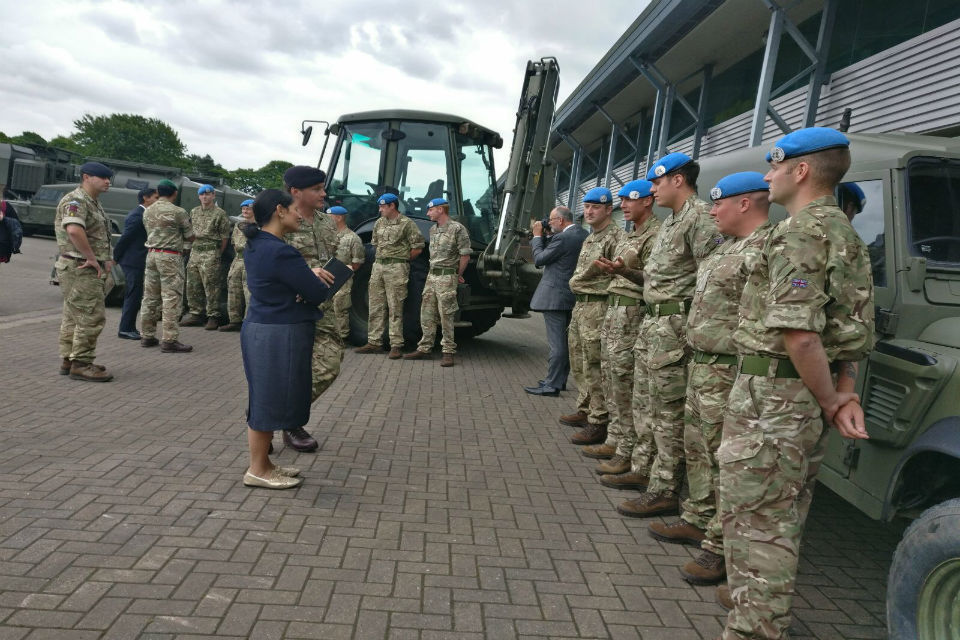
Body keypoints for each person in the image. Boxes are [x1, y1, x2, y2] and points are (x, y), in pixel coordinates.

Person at [717, 128, 874, 639]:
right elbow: (850, 330)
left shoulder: (797, 232)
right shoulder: (847, 234)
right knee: (781, 515)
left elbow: (800, 333)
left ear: (801, 171)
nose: (767, 176)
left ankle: (754, 626)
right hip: (798, 399)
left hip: (773, 398)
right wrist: (842, 390)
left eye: (775, 167)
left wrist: (832, 399)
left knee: (757, 521)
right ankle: (754, 602)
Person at [645, 172, 773, 587]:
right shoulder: (726, 247)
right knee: (697, 449)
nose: (711, 210)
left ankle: (718, 547)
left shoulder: (765, 250)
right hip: (700, 363)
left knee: (724, 460)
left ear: (745, 204)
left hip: (729, 367)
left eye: (720, 204)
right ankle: (697, 518)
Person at [616, 152, 724, 519]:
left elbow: (714, 283)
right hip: (654, 325)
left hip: (675, 329)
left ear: (678, 180)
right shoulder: (673, 222)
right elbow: (660, 278)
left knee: (668, 413)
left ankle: (664, 489)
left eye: (657, 182)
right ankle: (648, 474)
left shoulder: (701, 220)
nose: (652, 190)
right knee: (646, 405)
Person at [240, 189, 335, 490]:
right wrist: (313, 280)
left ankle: (265, 464)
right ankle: (257, 470)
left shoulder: (260, 244)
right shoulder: (281, 250)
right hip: (278, 332)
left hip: (263, 327)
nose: (299, 214)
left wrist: (305, 277)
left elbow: (286, 280)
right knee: (268, 401)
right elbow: (318, 293)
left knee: (267, 397)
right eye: (294, 209)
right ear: (279, 210)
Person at [587, 180, 660, 487]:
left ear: (648, 201)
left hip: (633, 314)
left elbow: (654, 280)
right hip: (614, 312)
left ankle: (628, 451)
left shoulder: (656, 234)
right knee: (611, 379)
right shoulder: (630, 234)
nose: (625, 206)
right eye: (622, 201)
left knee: (627, 384)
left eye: (631, 200)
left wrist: (622, 272)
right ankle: (616, 440)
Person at [282, 166, 341, 452]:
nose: (323, 193)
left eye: (322, 188)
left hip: (322, 305)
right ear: (296, 192)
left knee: (329, 364)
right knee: (285, 369)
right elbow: (268, 263)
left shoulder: (328, 223)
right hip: (288, 307)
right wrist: (308, 272)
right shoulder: (278, 219)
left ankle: (282, 416)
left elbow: (332, 258)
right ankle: (280, 423)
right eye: (317, 189)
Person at [562, 187, 625, 447]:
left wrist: (582, 280)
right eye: (586, 207)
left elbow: (617, 274)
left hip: (598, 307)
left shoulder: (615, 237)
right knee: (579, 360)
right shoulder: (591, 238)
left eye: (595, 207)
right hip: (581, 306)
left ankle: (598, 421)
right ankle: (585, 407)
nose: (589, 211)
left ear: (609, 209)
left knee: (595, 364)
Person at [54, 161, 116, 382]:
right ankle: (81, 364)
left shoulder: (92, 202)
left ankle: (70, 359)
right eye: (103, 177)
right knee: (91, 315)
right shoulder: (77, 200)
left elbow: (96, 234)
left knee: (74, 315)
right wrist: (92, 258)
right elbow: (73, 229)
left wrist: (105, 258)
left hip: (80, 265)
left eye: (110, 178)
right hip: (80, 266)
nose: (108, 181)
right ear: (87, 177)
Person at [524, 206, 587, 396]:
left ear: (560, 220)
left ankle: (551, 385)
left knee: (557, 344)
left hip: (555, 298)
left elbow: (540, 258)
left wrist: (536, 236)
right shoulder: (582, 234)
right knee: (565, 342)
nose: (549, 223)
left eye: (551, 220)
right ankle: (558, 380)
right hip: (569, 296)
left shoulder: (563, 237)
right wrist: (546, 235)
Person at [354, 192, 424, 358]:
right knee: (375, 305)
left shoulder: (407, 224)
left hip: (397, 268)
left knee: (395, 307)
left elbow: (418, 247)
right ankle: (374, 342)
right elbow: (375, 245)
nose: (380, 210)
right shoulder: (379, 223)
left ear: (392, 206)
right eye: (379, 206)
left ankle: (396, 345)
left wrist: (401, 260)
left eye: (383, 206)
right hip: (378, 268)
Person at [403, 197, 471, 366]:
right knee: (426, 313)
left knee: (446, 315)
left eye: (430, 210)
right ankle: (424, 348)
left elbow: (465, 255)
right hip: (431, 276)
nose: (428, 213)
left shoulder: (457, 229)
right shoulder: (433, 229)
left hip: (447, 277)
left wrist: (457, 274)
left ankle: (448, 352)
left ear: (440, 210)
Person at [140, 180, 195, 353]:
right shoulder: (178, 212)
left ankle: (147, 336)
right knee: (172, 298)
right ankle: (169, 340)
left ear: (158, 192)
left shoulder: (148, 210)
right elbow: (190, 235)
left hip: (151, 255)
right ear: (175, 193)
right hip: (170, 257)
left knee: (150, 297)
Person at [181, 184, 229, 330]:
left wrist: (217, 254)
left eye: (208, 194)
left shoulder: (220, 213)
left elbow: (224, 237)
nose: (205, 197)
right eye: (202, 194)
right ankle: (196, 313)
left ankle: (213, 316)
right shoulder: (194, 211)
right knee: (192, 284)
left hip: (210, 251)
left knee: (212, 285)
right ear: (199, 196)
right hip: (195, 251)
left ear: (214, 196)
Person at [113, 187, 159, 340]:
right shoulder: (137, 215)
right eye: (155, 198)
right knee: (132, 295)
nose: (157, 201)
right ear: (146, 198)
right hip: (133, 261)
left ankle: (130, 327)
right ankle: (125, 329)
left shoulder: (144, 214)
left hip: (137, 260)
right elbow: (125, 238)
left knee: (136, 295)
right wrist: (115, 257)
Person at [327, 205, 365, 342]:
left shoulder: (352, 238)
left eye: (329, 217)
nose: (326, 220)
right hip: (326, 277)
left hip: (342, 280)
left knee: (340, 309)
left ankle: (341, 337)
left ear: (339, 218)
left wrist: (345, 271)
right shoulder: (327, 236)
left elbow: (357, 262)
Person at [220, 198, 255, 332]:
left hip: (250, 261)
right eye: (243, 209)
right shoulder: (238, 225)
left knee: (249, 293)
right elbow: (234, 242)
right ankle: (234, 320)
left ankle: (248, 321)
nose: (245, 211)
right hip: (237, 260)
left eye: (248, 209)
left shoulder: (259, 226)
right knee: (233, 290)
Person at [0, 187, 23, 264]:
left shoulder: (5, 206)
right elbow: (17, 227)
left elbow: (16, 226)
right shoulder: (6, 206)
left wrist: (4, 218)